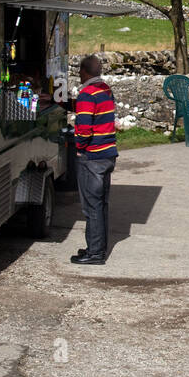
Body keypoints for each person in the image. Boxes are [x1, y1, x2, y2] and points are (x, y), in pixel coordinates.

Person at [71, 54, 117, 266]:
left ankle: (96, 253)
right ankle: (96, 247)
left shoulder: (86, 94)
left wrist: (79, 148)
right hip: (108, 153)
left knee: (91, 207)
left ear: (83, 72)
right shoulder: (105, 90)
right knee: (101, 205)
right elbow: (97, 114)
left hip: (93, 156)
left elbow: (84, 128)